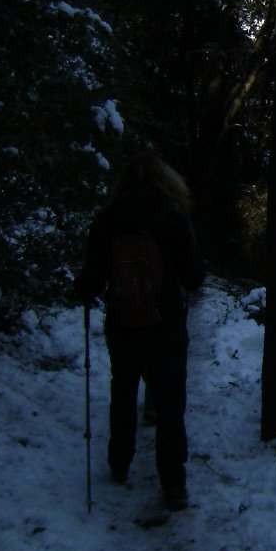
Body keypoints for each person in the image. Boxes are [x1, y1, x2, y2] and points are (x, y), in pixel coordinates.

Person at [76, 153, 204, 510]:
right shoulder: (172, 216)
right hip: (165, 325)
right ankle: (174, 484)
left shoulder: (108, 219)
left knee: (123, 390)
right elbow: (194, 275)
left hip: (123, 323)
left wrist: (84, 291)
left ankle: (119, 463)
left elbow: (90, 279)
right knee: (169, 404)